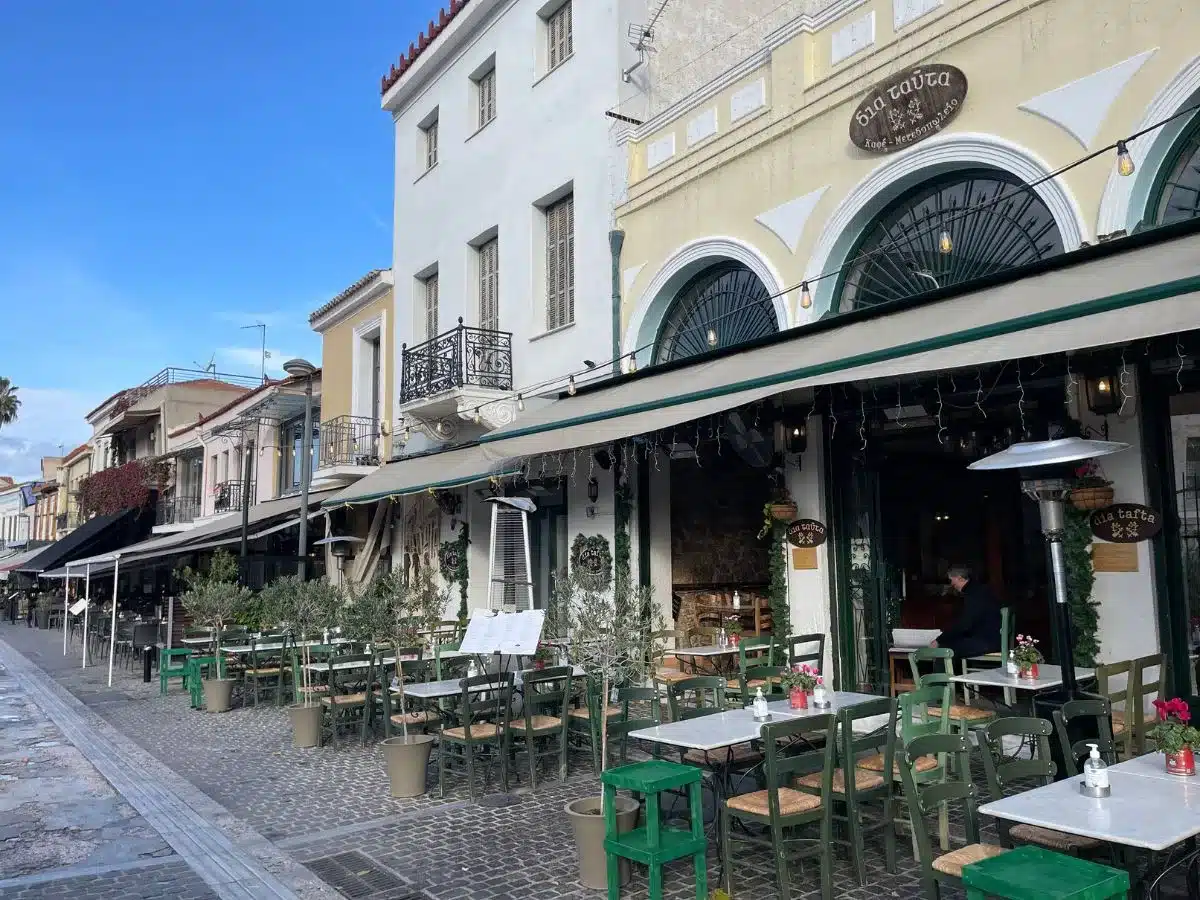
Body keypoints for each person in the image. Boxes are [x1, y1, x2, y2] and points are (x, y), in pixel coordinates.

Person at [931, 565, 1002, 659]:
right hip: (991, 638)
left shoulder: (974, 595)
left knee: (944, 649)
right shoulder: (979, 589)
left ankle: (945, 674)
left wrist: (939, 640)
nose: (952, 584)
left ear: (960, 578)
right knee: (951, 640)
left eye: (952, 580)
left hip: (986, 641)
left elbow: (965, 624)